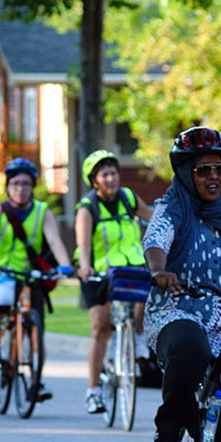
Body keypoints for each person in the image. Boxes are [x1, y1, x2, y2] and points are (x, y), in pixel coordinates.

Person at [140, 128, 221, 442]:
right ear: (187, 173)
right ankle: (168, 433)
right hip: (177, 308)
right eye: (204, 170)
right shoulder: (172, 209)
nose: (213, 177)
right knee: (190, 349)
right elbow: (155, 241)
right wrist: (159, 271)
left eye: (220, 169)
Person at [0, 158, 74, 403]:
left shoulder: (42, 211)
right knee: (0, 302)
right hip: (3, 272)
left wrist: (65, 266)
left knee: (36, 327)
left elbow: (54, 241)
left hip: (32, 276)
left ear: (33, 186)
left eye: (26, 184)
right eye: (16, 183)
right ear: (8, 186)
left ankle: (36, 381)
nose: (21, 188)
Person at [74, 150, 154, 414]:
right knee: (101, 328)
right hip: (99, 272)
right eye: (104, 175)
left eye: (113, 173)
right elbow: (83, 244)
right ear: (94, 181)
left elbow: (152, 221)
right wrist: (84, 266)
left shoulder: (129, 197)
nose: (111, 179)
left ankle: (139, 337)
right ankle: (93, 390)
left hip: (131, 266)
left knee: (147, 295)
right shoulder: (88, 208)